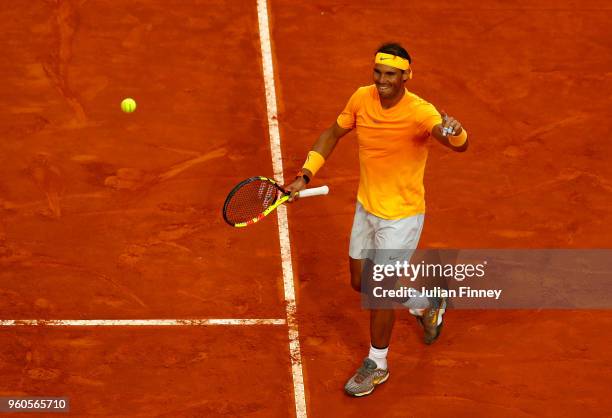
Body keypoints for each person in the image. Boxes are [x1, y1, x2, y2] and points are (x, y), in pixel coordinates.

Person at [284, 42, 468, 397]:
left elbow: (456, 143)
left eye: (390, 75)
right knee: (360, 282)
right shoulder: (361, 98)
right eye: (378, 73)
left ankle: (377, 363)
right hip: (367, 207)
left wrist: (454, 131)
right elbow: (331, 134)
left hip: (400, 216)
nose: (382, 81)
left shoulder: (420, 111)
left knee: (379, 290)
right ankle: (426, 304)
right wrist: (305, 174)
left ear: (406, 76)